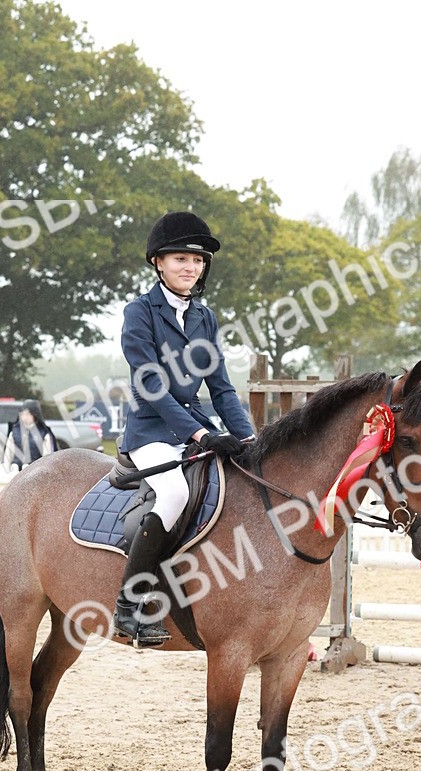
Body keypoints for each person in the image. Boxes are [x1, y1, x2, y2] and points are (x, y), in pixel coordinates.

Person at [113, 211, 256, 645]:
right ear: (157, 262)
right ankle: (128, 605)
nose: (191, 267)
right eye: (180, 259)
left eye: (198, 260)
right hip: (150, 435)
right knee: (175, 492)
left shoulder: (204, 318)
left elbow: (222, 388)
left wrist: (248, 438)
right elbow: (152, 386)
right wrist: (199, 435)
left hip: (195, 429)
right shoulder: (139, 313)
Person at [2, 401, 56, 469]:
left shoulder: (43, 433)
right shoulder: (15, 431)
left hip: (35, 470)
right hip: (16, 469)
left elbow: (47, 456)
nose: (24, 417)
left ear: (34, 415)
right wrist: (7, 468)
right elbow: (8, 454)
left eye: (27, 414)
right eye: (22, 414)